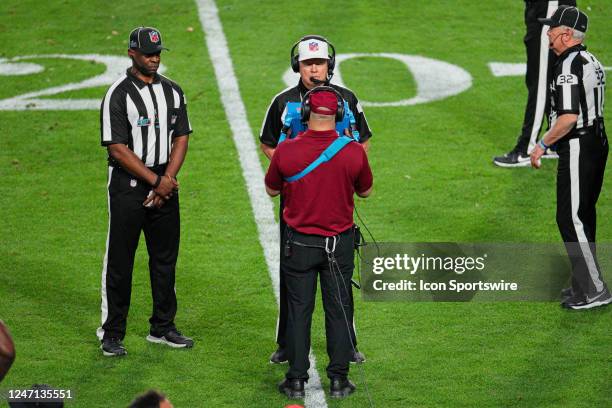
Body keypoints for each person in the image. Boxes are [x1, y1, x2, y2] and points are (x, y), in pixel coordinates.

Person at [260, 34, 371, 365]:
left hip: (335, 199)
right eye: (308, 63)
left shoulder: (348, 99)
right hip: (297, 202)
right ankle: (287, 345)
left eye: (319, 63)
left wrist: (340, 173)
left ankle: (347, 344)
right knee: (291, 274)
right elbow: (268, 143)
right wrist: (297, 173)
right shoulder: (281, 101)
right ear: (298, 66)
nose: (314, 69)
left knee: (339, 274)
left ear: (329, 65)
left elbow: (362, 142)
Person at [97, 27, 194, 356]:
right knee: (121, 261)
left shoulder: (173, 91)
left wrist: (167, 177)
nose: (154, 58)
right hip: (129, 185)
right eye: (148, 53)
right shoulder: (118, 94)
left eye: (158, 53)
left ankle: (163, 326)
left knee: (165, 259)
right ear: (131, 53)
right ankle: (112, 332)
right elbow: (117, 148)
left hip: (165, 181)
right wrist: (158, 182)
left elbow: (181, 136)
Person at [530, 6, 611, 309]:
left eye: (552, 29)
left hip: (579, 144)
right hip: (596, 142)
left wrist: (541, 145)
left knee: (572, 217)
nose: (548, 34)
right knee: (583, 214)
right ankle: (582, 282)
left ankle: (595, 289)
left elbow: (567, 118)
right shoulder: (590, 59)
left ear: (566, 34)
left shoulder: (567, 66)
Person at [494, 0, 576, 167]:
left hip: (548, 9)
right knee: (551, 76)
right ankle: (555, 142)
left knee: (539, 82)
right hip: (549, 8)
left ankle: (526, 148)